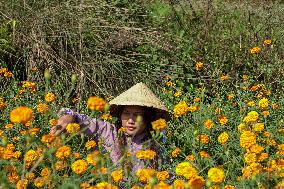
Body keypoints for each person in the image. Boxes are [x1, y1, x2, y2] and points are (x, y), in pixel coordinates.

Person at [50, 82, 170, 172]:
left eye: (138, 115)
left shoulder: (156, 140)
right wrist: (68, 118)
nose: (131, 120)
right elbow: (80, 119)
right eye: (126, 113)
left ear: (148, 118)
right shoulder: (109, 132)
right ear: (120, 114)